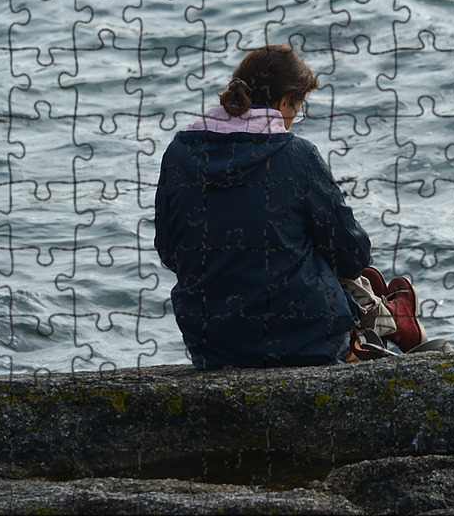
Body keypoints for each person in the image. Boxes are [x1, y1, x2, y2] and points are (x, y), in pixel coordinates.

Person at [154, 44, 427, 368]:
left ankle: (384, 316)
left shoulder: (179, 153)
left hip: (210, 345)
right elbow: (352, 255)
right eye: (297, 108)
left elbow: (169, 253)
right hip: (306, 342)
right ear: (285, 101)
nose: (293, 120)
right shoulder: (298, 155)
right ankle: (387, 319)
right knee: (326, 253)